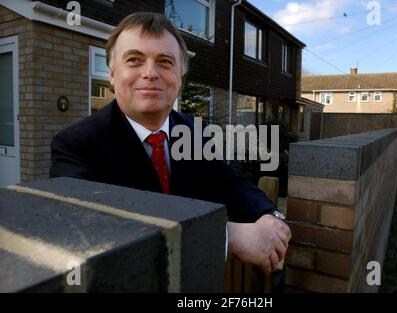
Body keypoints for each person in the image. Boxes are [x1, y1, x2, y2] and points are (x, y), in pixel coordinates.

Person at [49, 12, 291, 276]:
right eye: (134, 60)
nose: (150, 73)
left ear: (180, 77)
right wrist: (226, 237)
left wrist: (269, 217)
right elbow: (93, 233)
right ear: (112, 75)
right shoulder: (75, 145)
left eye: (165, 62)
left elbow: (229, 183)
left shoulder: (194, 132)